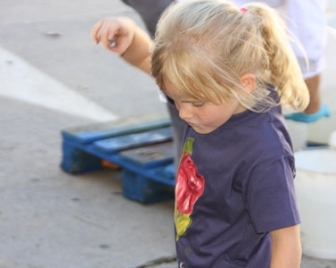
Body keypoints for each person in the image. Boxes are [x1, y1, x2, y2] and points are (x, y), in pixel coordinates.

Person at [92, 0, 308, 266]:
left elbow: (287, 241)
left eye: (195, 102)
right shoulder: (209, 97)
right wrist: (130, 36)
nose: (183, 113)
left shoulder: (264, 153)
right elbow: (149, 61)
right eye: (176, 99)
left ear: (244, 85)